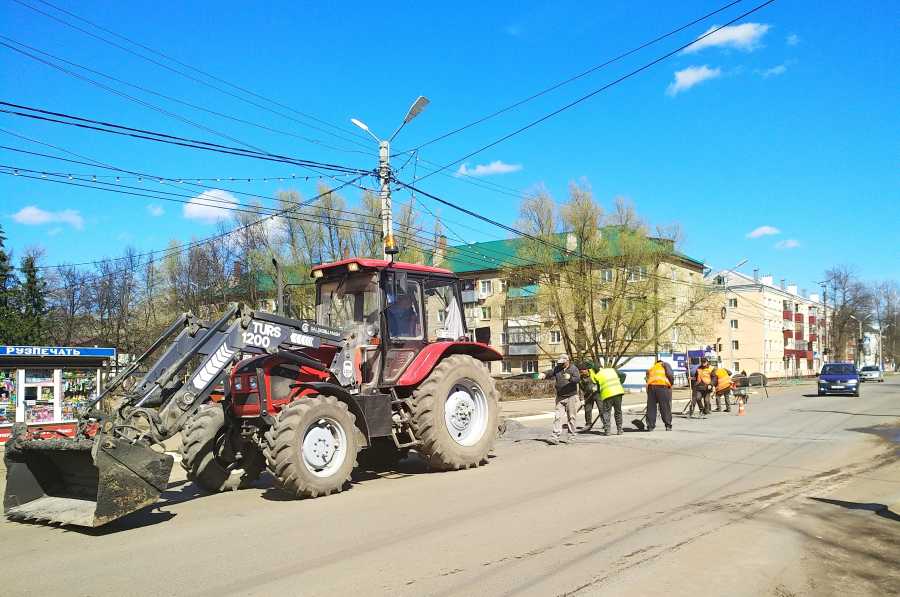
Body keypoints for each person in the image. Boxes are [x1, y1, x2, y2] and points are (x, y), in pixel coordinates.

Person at [545, 354, 580, 444]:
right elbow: (550, 372)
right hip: (560, 397)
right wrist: (544, 374)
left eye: (563, 363)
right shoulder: (558, 368)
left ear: (567, 361)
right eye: (560, 363)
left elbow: (577, 379)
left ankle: (571, 437)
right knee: (557, 417)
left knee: (571, 417)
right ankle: (555, 437)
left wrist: (570, 378)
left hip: (571, 396)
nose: (561, 365)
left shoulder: (574, 369)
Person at [590, 365, 626, 436]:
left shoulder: (596, 376)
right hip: (618, 392)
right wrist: (620, 383)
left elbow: (598, 388)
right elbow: (623, 375)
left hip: (607, 394)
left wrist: (595, 389)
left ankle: (607, 431)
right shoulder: (611, 370)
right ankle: (619, 430)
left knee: (606, 412)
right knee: (618, 411)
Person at [645, 359, 674, 431]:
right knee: (665, 407)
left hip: (651, 387)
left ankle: (650, 426)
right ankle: (668, 425)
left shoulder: (652, 368)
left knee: (651, 407)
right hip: (662, 387)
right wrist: (671, 383)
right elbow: (670, 374)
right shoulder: (665, 364)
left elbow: (647, 378)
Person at [579, 361, 600, 429]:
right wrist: (582, 399)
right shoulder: (581, 378)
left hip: (597, 394)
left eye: (583, 371)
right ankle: (588, 424)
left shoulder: (594, 372)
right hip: (588, 395)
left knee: (601, 409)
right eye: (581, 372)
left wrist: (597, 386)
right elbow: (581, 389)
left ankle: (605, 423)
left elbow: (601, 380)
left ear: (587, 370)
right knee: (587, 410)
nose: (583, 373)